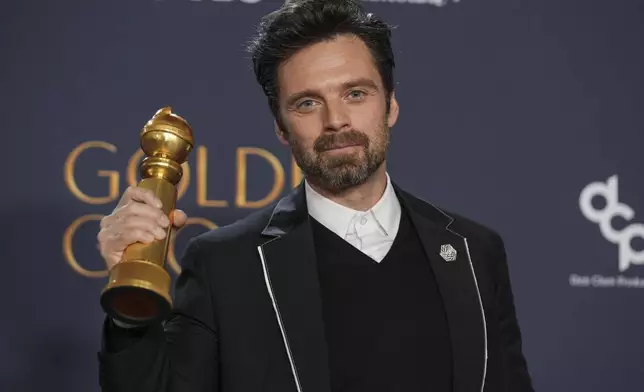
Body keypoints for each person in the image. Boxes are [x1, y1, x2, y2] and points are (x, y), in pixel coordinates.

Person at [96, 0, 534, 391]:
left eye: (356, 93)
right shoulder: (224, 264)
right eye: (307, 103)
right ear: (281, 129)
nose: (336, 120)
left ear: (391, 105)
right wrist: (128, 300)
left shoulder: (475, 252)